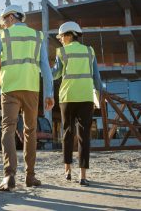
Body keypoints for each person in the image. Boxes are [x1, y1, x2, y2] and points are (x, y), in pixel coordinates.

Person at [0, 5, 54, 191]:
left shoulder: (3, 35)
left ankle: (9, 176)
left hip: (9, 88)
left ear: (10, 18)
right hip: (32, 88)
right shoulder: (38, 36)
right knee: (30, 131)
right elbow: (45, 68)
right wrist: (49, 93)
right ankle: (30, 177)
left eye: (4, 21)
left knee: (8, 129)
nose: (4, 24)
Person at [52, 21, 102, 186]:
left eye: (61, 36)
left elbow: (55, 74)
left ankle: (67, 171)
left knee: (67, 133)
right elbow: (96, 77)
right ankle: (83, 176)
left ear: (69, 35)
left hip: (67, 97)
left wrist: (41, 69)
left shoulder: (62, 52)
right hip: (86, 97)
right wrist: (99, 94)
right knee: (84, 136)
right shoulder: (89, 51)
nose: (60, 39)